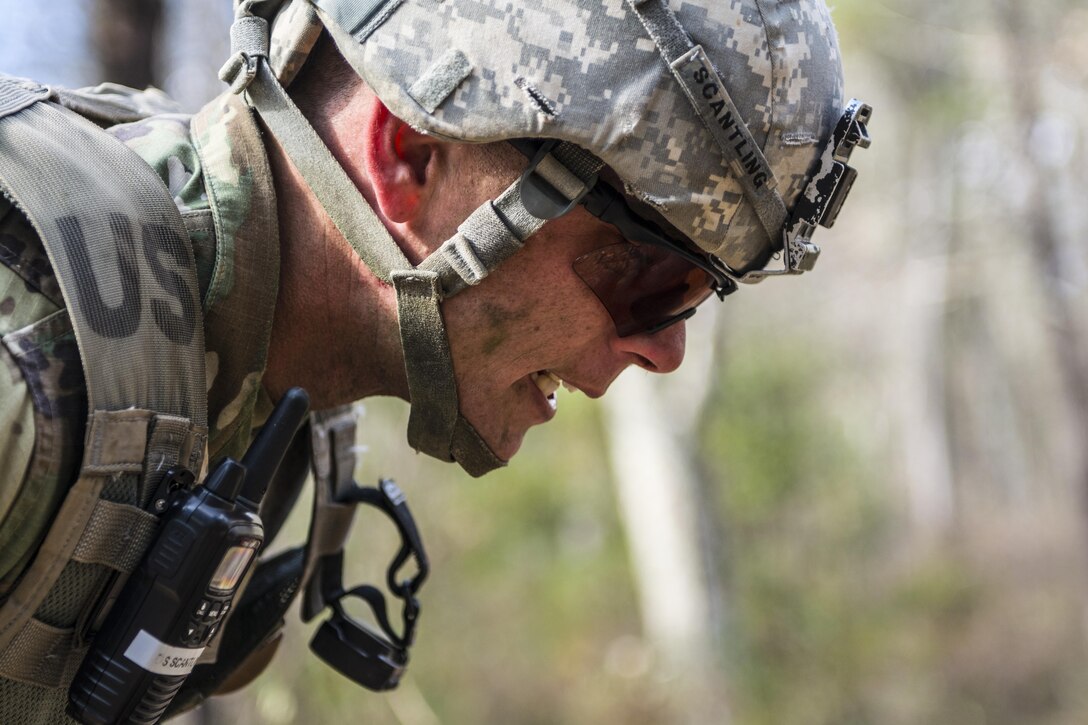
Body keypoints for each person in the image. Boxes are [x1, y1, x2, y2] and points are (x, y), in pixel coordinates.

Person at [0, 0, 870, 720]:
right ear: (407, 156)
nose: (665, 349)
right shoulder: (38, 354)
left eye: (695, 289)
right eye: (645, 274)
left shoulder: (254, 381)